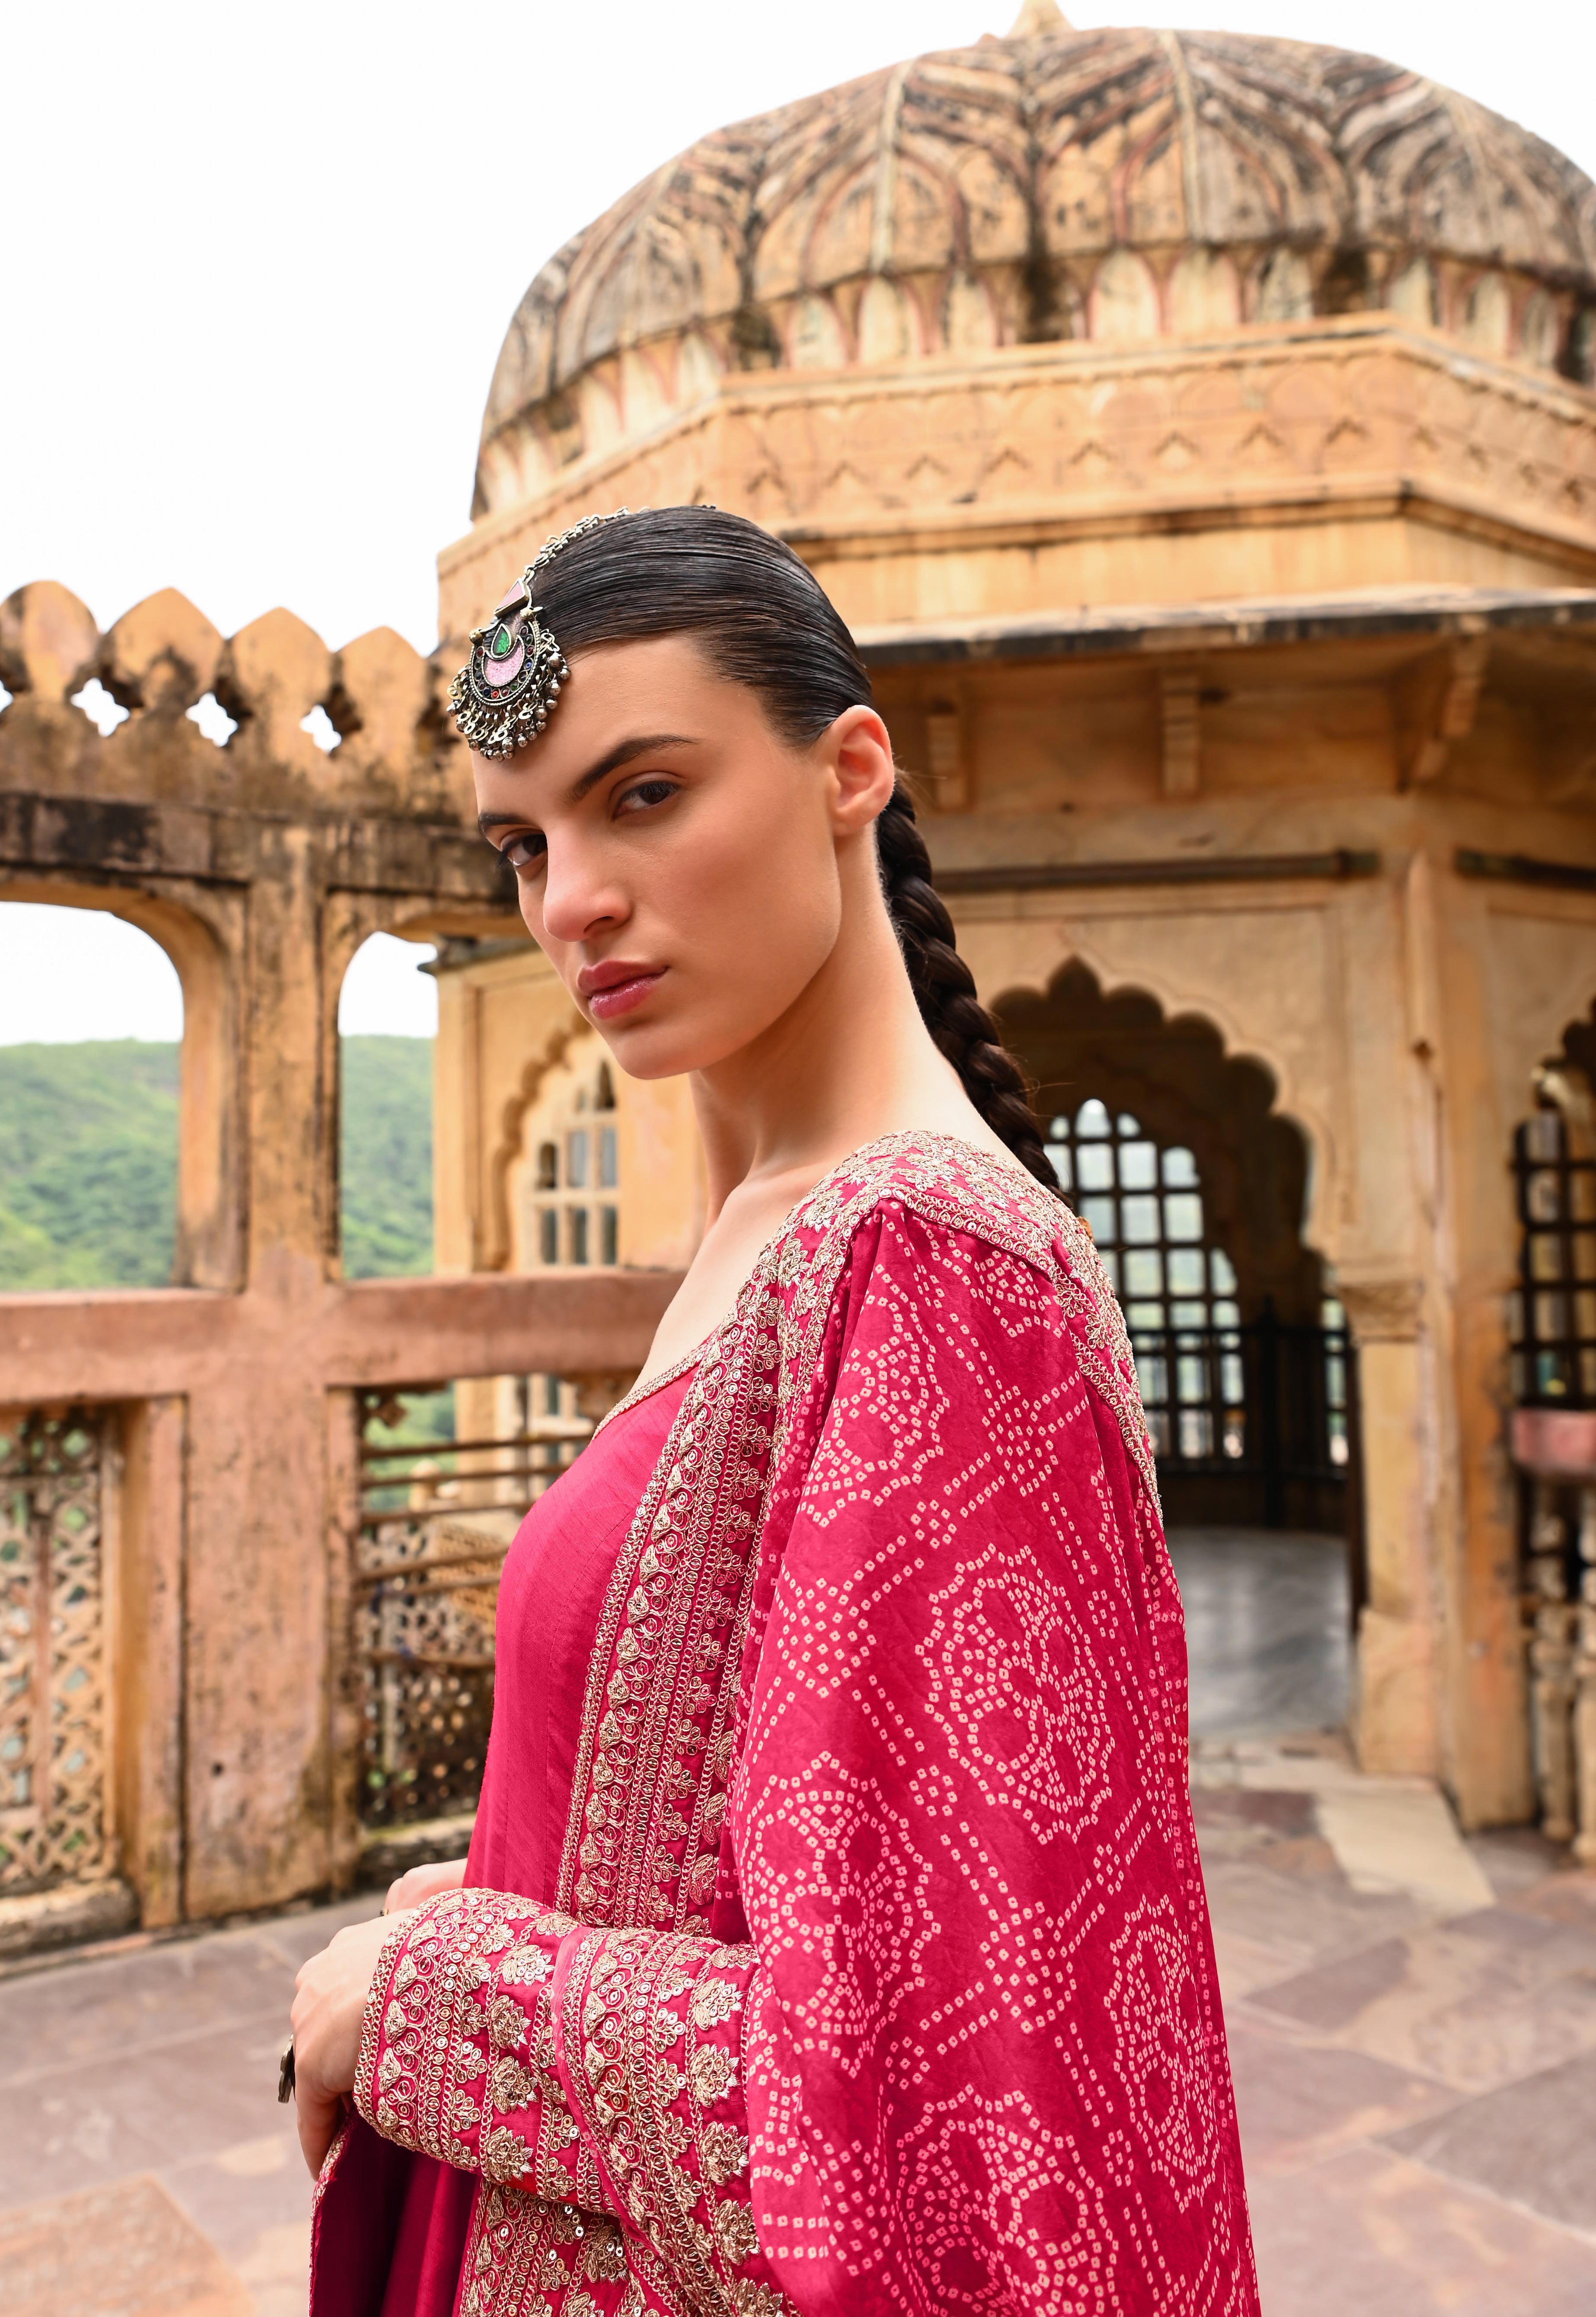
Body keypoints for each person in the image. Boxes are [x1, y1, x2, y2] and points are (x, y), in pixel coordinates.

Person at [292, 507, 1259, 2315]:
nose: (569, 900)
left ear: (849, 772)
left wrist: (427, 2000)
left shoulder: (936, 1270)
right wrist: (489, 1899)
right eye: (525, 844)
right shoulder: (783, 1226)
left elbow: (951, 2141)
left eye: (644, 795)